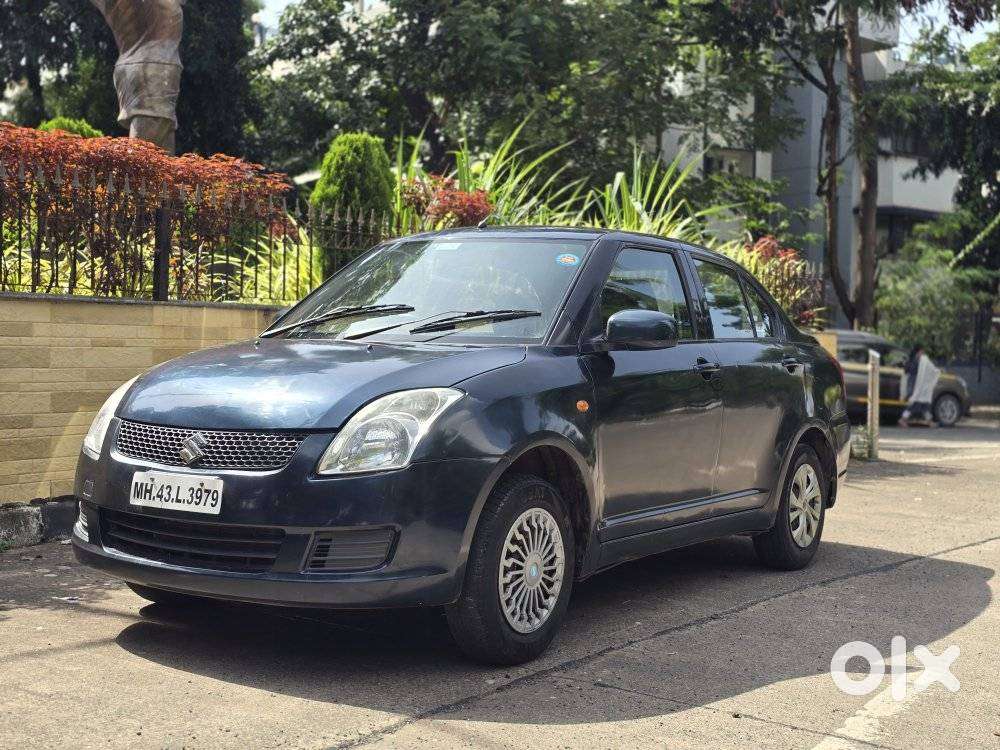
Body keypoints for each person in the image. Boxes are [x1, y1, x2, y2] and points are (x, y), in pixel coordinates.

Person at [900, 345, 940, 426]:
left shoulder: (913, 360)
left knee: (924, 404)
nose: (923, 353)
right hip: (916, 386)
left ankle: (929, 421)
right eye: (922, 351)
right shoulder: (919, 361)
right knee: (916, 403)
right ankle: (903, 419)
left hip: (915, 385)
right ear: (919, 352)